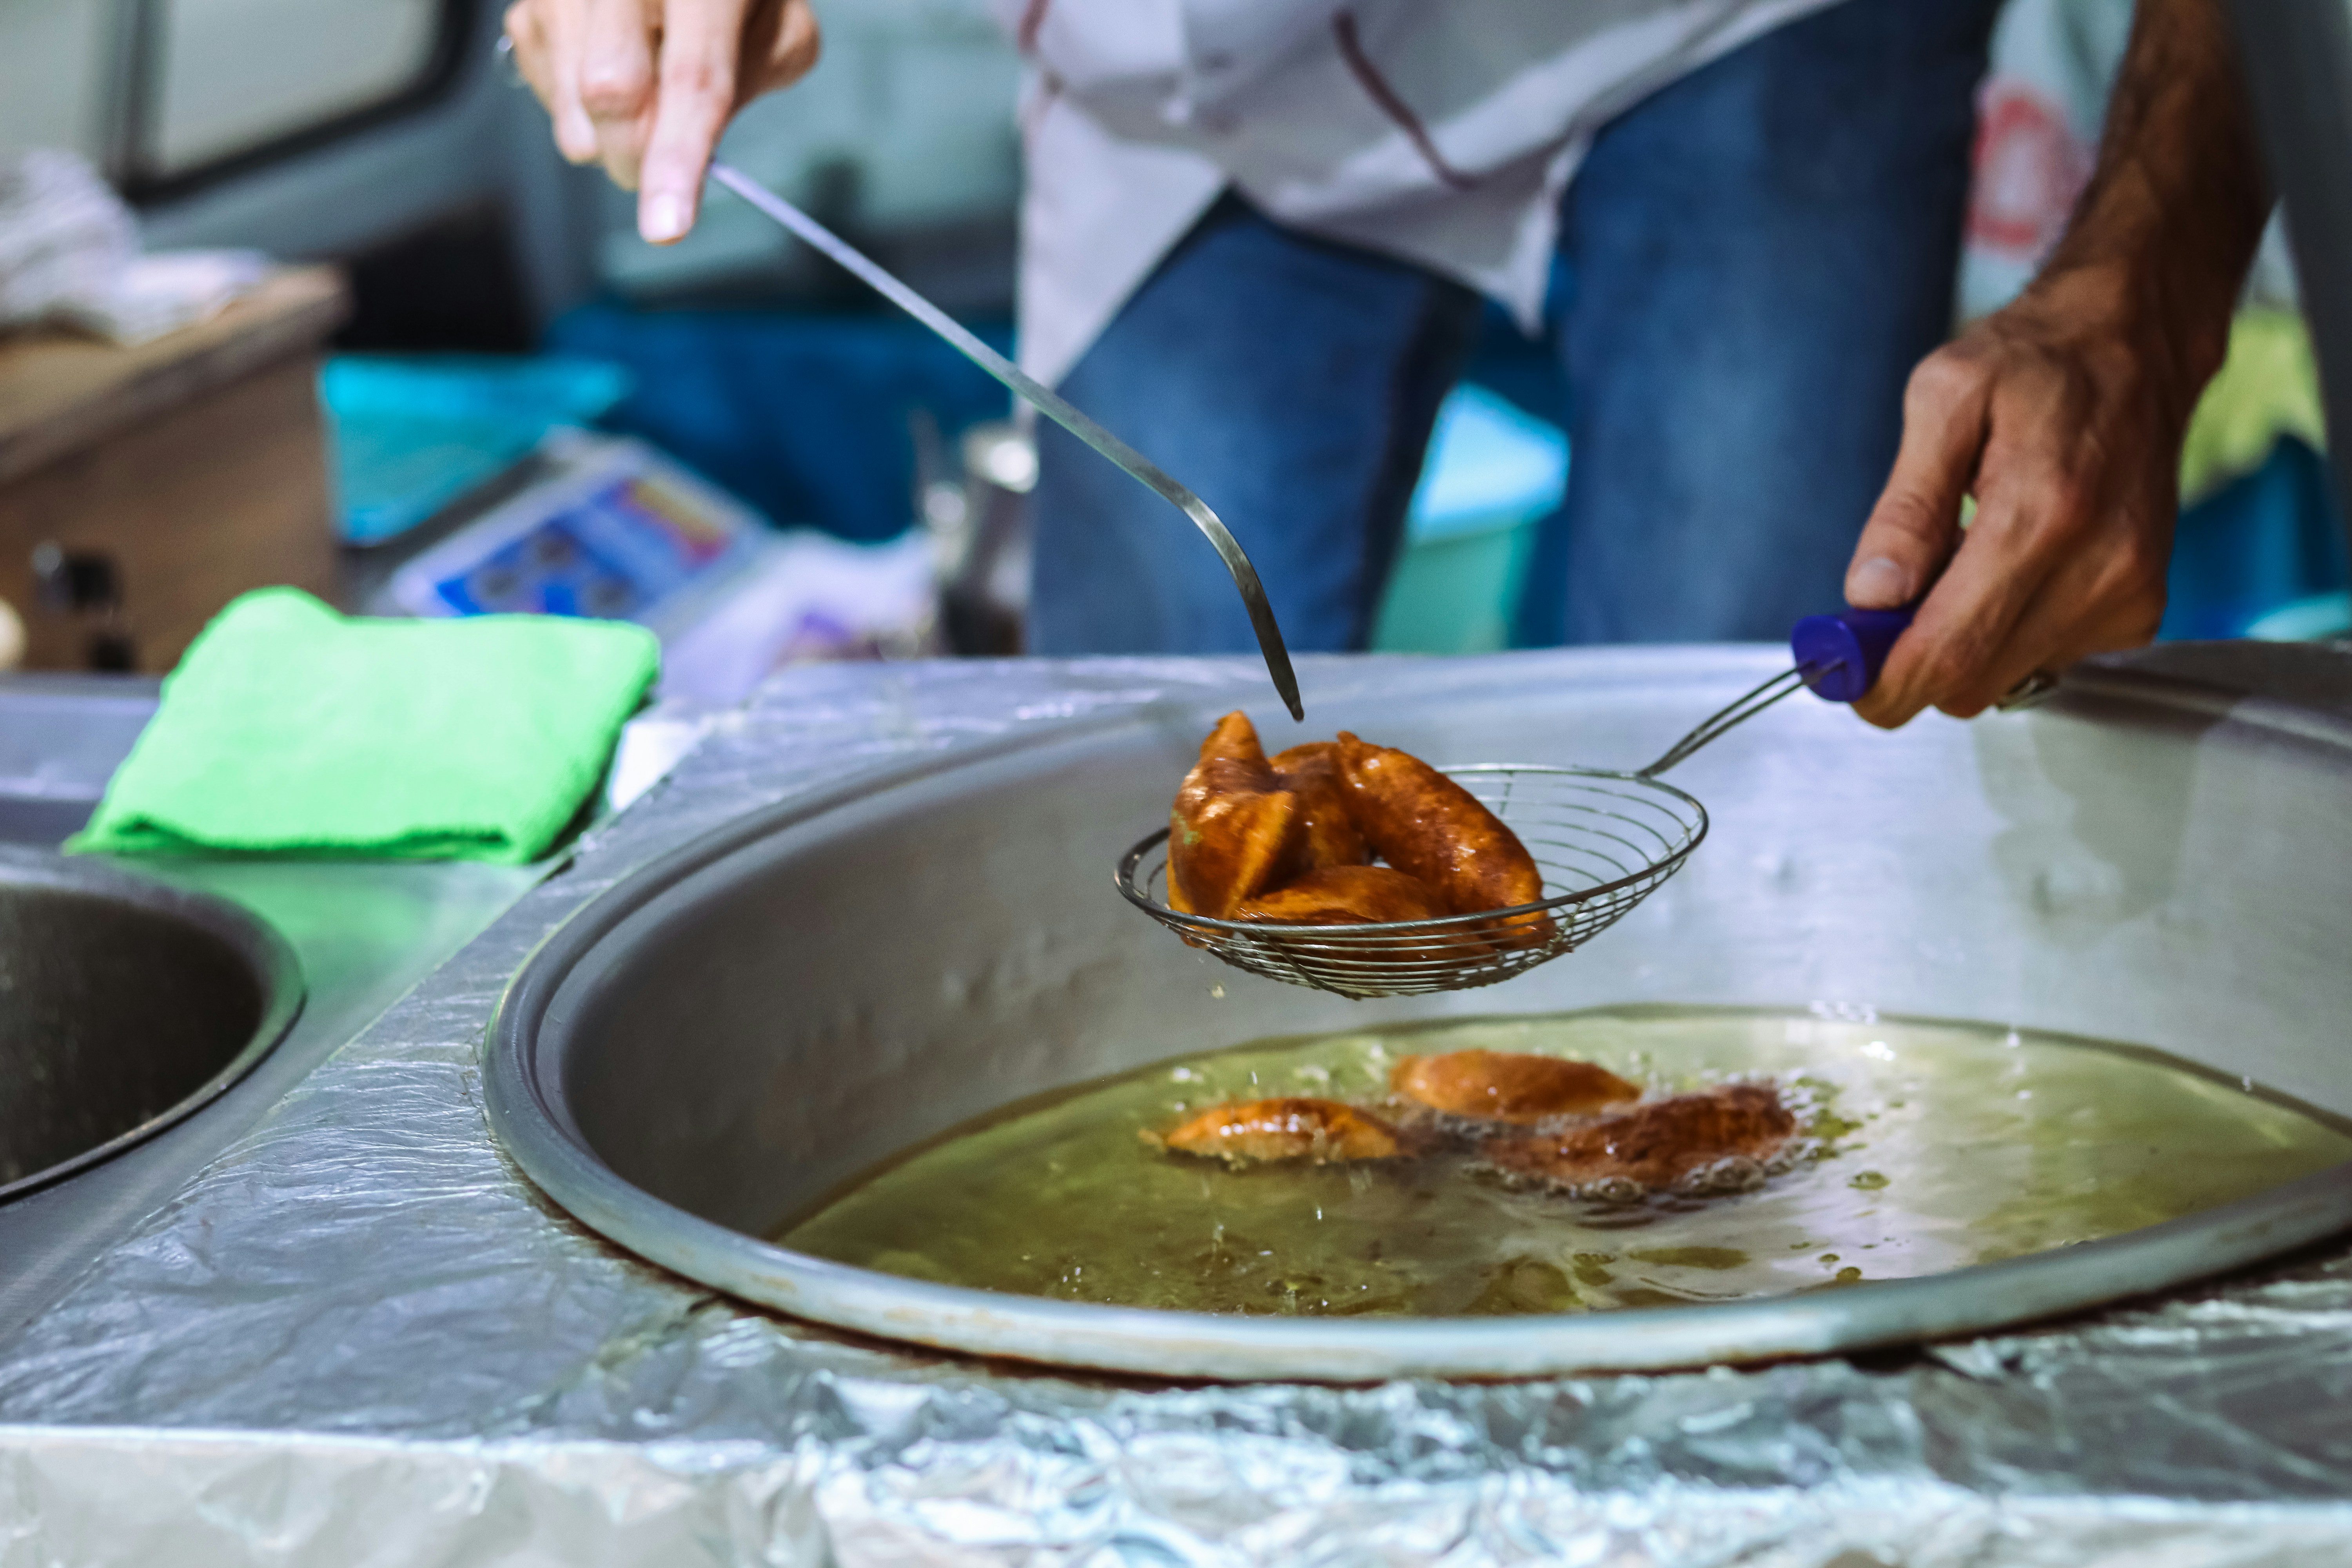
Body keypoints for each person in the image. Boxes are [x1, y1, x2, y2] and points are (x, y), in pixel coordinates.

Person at [504, 0, 2270, 730]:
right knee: (1143, 764)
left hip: (1731, 27)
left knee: (1746, 733)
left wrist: (2150, 283)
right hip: (1184, 81)